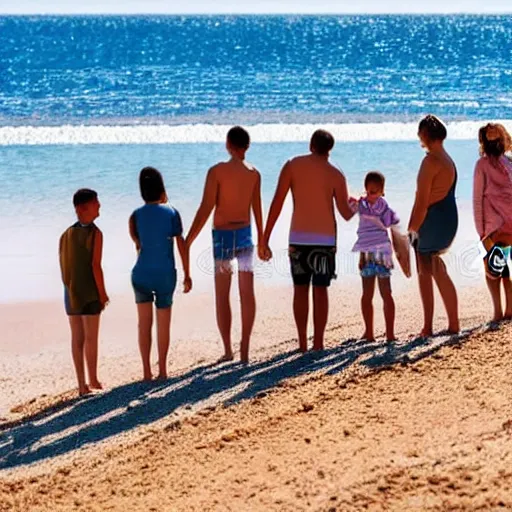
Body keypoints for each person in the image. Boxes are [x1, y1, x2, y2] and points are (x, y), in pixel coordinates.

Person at [262, 129, 353, 352]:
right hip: (324, 242)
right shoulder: (336, 173)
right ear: (329, 150)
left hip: (298, 240)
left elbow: (277, 203)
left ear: (311, 145)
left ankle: (302, 343)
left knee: (300, 289)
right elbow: (345, 213)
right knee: (320, 290)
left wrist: (265, 238)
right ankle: (319, 343)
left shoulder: (292, 165)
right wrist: (361, 203)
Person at [186, 126, 263, 364]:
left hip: (222, 237)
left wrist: (189, 238)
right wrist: (263, 239)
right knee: (247, 292)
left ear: (228, 144)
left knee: (223, 294)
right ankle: (245, 349)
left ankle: (229, 349)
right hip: (245, 237)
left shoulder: (217, 171)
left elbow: (206, 207)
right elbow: (257, 209)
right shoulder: (254, 173)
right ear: (247, 146)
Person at [129, 167, 191, 381]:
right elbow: (181, 244)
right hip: (165, 274)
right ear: (161, 188)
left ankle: (146, 371)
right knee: (163, 323)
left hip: (141, 274)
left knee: (143, 324)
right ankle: (163, 371)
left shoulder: (135, 216)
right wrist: (187, 273)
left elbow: (138, 245)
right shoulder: (172, 212)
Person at [408, 115, 459, 337]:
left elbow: (421, 203)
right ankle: (453, 323)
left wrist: (411, 230)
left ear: (425, 135)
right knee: (437, 268)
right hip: (448, 219)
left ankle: (427, 327)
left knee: (424, 271)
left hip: (431, 221)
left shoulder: (430, 161)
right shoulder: (448, 159)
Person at [59, 188, 109, 396]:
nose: (99, 206)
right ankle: (93, 378)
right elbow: (96, 266)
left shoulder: (66, 234)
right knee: (91, 338)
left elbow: (63, 264)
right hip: (89, 292)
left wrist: (69, 287)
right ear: (82, 208)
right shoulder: (96, 233)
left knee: (76, 338)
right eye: (96, 203)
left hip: (70, 292)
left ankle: (81, 385)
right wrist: (103, 293)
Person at [350, 171, 400, 342]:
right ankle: (369, 331)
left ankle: (390, 333)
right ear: (365, 189)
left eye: (376, 192)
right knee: (366, 293)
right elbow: (348, 207)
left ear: (382, 191)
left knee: (386, 292)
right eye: (369, 192)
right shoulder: (361, 204)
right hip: (366, 254)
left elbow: (392, 223)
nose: (372, 195)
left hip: (382, 254)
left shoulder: (383, 206)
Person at [473, 123, 512, 321]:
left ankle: (498, 311)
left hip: (494, 227)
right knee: (504, 268)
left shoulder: (482, 165)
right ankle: (507, 309)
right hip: (505, 225)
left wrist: (481, 233)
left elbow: (477, 199)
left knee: (493, 269)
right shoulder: (509, 162)